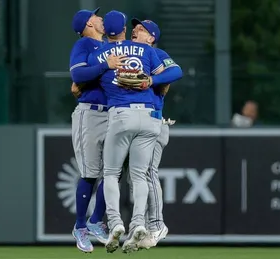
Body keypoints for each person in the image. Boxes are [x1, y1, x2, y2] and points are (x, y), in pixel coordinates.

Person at [87, 10, 164, 254]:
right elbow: (169, 75)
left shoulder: (100, 53)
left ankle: (115, 222)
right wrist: (151, 82)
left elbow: (82, 78)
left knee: (110, 173)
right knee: (140, 176)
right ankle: (139, 222)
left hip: (121, 115)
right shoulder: (147, 50)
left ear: (104, 31)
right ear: (123, 29)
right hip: (150, 117)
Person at [69, 7, 126, 253]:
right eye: (96, 16)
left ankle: (95, 221)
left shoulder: (109, 46)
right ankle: (80, 226)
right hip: (90, 112)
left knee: (112, 172)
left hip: (113, 113)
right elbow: (77, 73)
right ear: (88, 24)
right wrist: (105, 64)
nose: (100, 17)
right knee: (90, 173)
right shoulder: (84, 45)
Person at [128, 18, 183, 249]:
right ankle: (140, 226)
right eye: (134, 28)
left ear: (151, 38)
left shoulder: (155, 53)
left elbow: (176, 71)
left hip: (154, 122)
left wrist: (152, 80)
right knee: (135, 178)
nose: (135, 31)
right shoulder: (130, 55)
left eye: (141, 30)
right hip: (134, 122)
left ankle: (157, 224)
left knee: (148, 172)